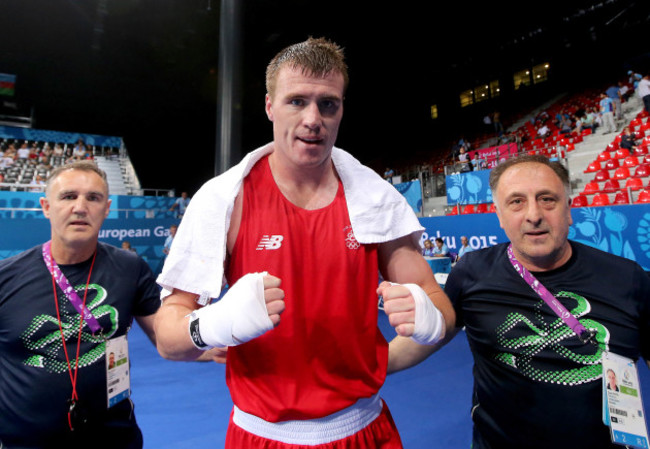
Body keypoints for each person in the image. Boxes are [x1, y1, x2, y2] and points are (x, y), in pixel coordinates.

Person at [154, 37, 455, 449]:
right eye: (297, 101)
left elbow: (438, 304)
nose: (313, 118)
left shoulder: (375, 197)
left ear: (341, 110)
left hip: (365, 430)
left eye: (327, 104)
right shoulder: (224, 199)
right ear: (269, 107)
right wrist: (214, 324)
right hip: (259, 434)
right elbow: (169, 338)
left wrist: (431, 318)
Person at [437, 154, 650, 449]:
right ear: (499, 215)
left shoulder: (628, 279)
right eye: (516, 202)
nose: (533, 214)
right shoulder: (471, 272)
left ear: (569, 209)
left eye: (547, 199)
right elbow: (434, 334)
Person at [0, 160, 161, 448]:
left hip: (114, 437)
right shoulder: (6, 277)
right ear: (46, 206)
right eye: (68, 196)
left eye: (93, 198)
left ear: (107, 208)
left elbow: (167, 336)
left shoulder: (130, 268)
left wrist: (215, 335)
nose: (80, 207)